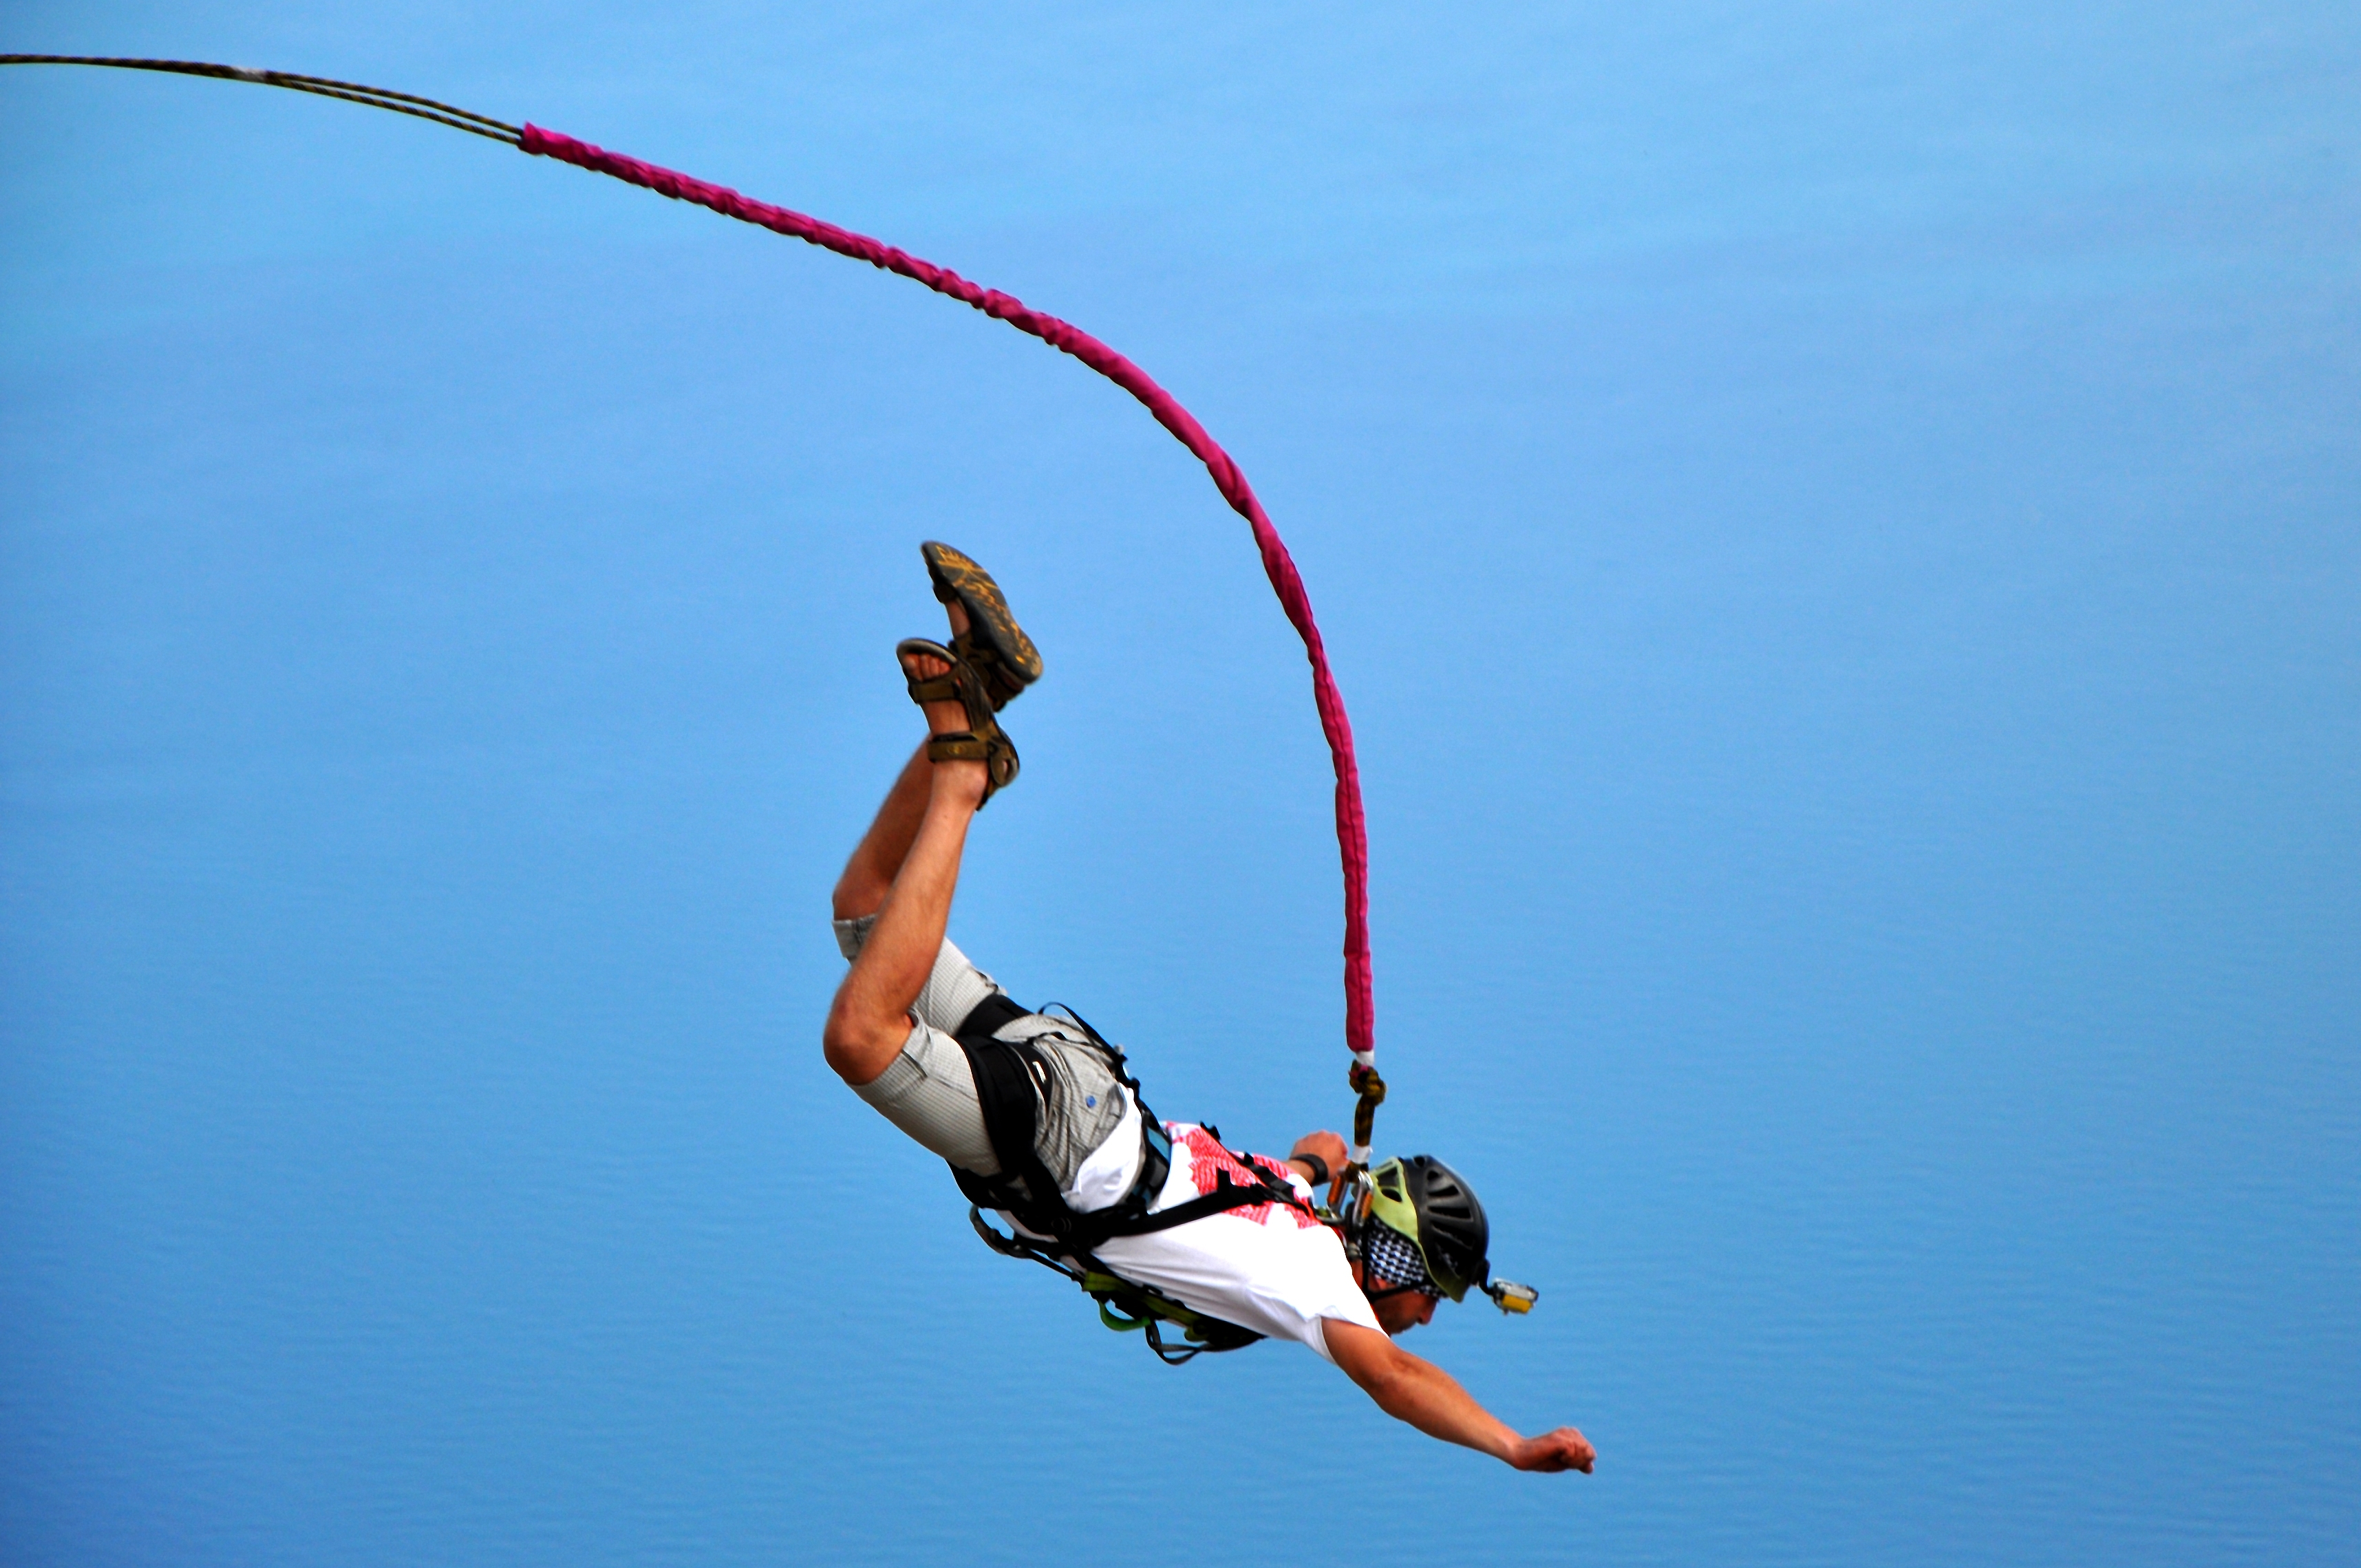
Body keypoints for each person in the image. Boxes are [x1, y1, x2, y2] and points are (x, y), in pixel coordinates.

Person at [821, 543, 1595, 1474]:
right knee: (861, 1039)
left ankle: (987, 686)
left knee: (867, 908)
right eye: (1430, 1290)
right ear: (1391, 1258)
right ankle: (961, 774)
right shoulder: (1312, 1275)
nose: (1425, 1316)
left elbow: (1317, 1146)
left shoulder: (1296, 1199)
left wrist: (1343, 1153)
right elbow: (1395, 1379)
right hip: (1070, 1144)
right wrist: (1510, 1444)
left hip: (1086, 1086)